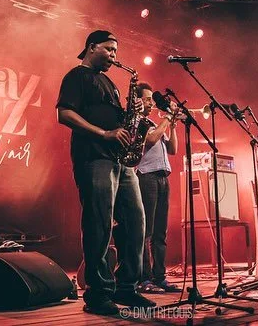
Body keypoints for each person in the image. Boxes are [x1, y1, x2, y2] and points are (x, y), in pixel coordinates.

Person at [56, 30, 156, 315]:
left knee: (136, 221)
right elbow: (64, 114)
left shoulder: (110, 82)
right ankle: (98, 294)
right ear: (91, 47)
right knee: (99, 223)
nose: (114, 55)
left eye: (115, 51)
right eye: (109, 49)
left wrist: (133, 112)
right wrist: (104, 133)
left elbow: (120, 122)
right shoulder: (77, 76)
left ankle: (127, 288)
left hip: (121, 162)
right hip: (94, 158)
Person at [134, 82, 182, 294]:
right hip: (147, 176)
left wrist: (172, 125)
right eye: (146, 99)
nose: (150, 103)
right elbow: (151, 140)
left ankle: (159, 276)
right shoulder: (137, 122)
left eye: (151, 100)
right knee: (146, 231)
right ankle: (144, 278)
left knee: (160, 232)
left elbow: (172, 149)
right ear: (136, 100)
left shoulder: (154, 122)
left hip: (163, 177)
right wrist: (167, 118)